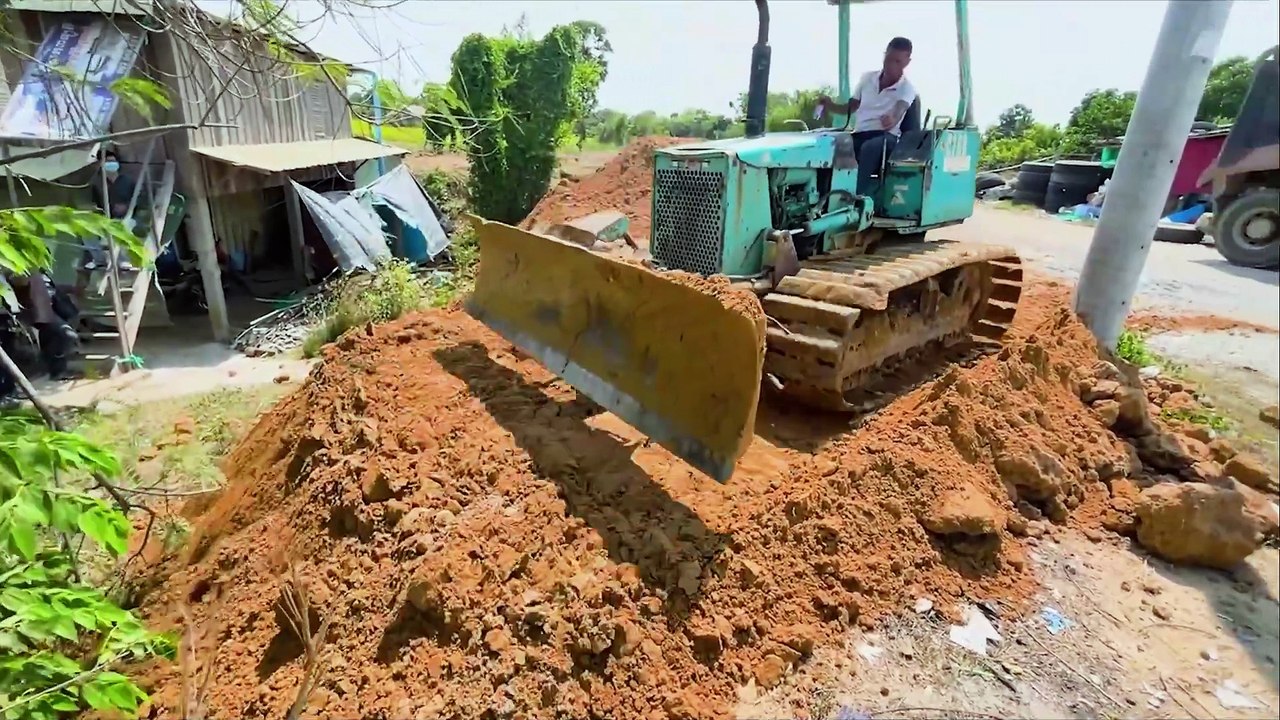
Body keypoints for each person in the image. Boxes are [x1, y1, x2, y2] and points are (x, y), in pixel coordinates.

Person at [816, 36, 918, 197]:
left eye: (897, 61)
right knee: (830, 143)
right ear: (885, 55)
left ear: (907, 62)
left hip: (886, 137)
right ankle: (821, 194)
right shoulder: (867, 78)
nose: (891, 65)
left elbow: (899, 109)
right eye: (889, 59)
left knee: (870, 148)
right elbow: (851, 107)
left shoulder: (906, 89)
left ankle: (853, 197)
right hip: (860, 133)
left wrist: (892, 118)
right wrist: (830, 105)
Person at [78, 149, 137, 296]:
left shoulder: (127, 181)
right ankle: (99, 260)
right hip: (106, 219)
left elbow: (140, 199)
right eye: (107, 162)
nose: (111, 164)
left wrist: (127, 206)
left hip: (128, 217)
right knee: (86, 230)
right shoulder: (98, 183)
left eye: (113, 161)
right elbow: (95, 203)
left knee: (123, 227)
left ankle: (123, 260)